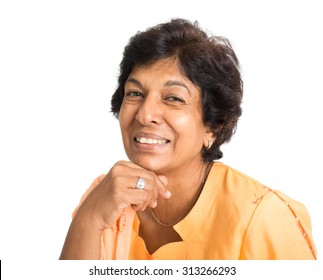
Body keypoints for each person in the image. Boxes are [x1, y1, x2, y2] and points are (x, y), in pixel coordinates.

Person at [59, 18, 317, 260]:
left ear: (212, 126)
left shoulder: (263, 217)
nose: (145, 114)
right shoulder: (105, 194)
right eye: (135, 93)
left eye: (173, 98)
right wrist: (89, 218)